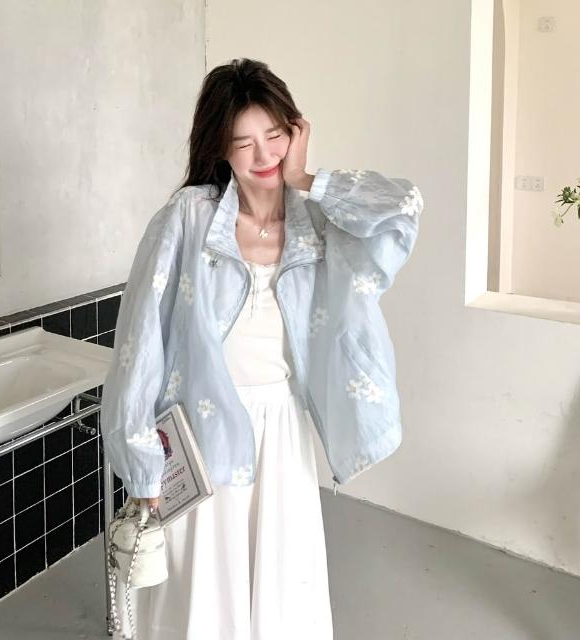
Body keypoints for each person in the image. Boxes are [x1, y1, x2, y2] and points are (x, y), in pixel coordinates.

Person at [100, 57, 423, 639]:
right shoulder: (188, 217)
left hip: (282, 428)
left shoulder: (318, 220)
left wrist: (307, 178)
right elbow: (139, 342)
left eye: (274, 135)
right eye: (243, 142)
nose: (263, 155)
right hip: (201, 431)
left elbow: (401, 210)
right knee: (204, 592)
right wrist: (141, 463)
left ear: (295, 131)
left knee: (283, 584)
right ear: (220, 149)